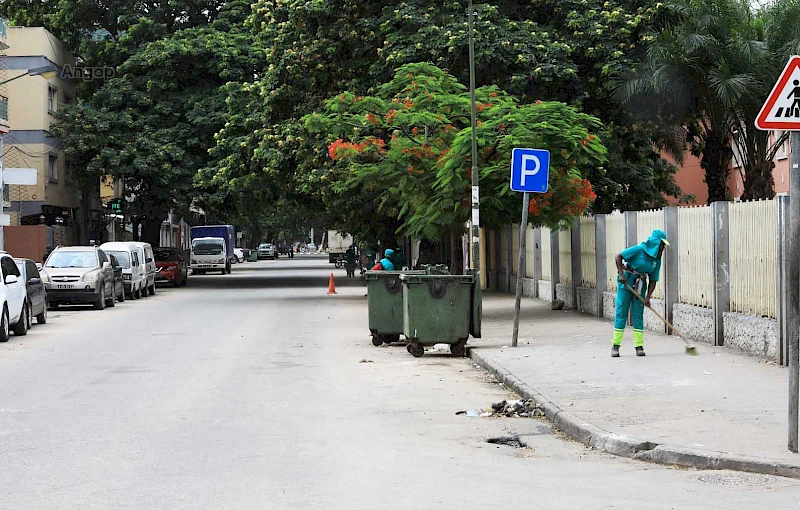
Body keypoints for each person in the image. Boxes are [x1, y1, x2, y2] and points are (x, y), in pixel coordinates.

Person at [612, 229, 670, 358]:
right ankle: (615, 346)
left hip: (640, 286)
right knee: (621, 313)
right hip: (626, 282)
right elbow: (618, 256)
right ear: (655, 243)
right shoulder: (638, 250)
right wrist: (621, 274)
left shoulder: (657, 260)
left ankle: (639, 346)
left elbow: (653, 280)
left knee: (638, 315)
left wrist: (648, 298)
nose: (663, 248)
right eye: (662, 245)